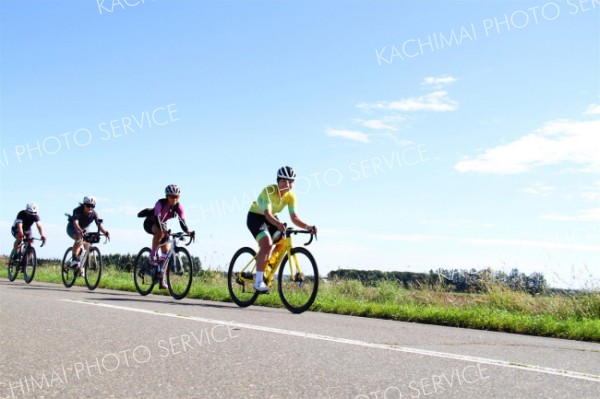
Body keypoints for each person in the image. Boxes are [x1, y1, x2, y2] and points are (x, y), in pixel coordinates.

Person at [247, 166, 317, 292]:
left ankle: (266, 268)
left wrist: (308, 227)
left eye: (291, 182)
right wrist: (278, 224)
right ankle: (258, 282)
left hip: (271, 217)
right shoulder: (269, 191)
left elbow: (294, 217)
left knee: (282, 240)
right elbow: (267, 214)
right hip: (256, 216)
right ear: (278, 181)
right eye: (284, 180)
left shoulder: (291, 196)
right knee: (267, 243)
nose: (287, 184)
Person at [143, 184, 195, 289]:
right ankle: (152, 256)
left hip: (163, 225)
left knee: (165, 254)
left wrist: (188, 231)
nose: (174, 199)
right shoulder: (160, 203)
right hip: (150, 222)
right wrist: (163, 230)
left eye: (177, 197)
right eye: (172, 197)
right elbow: (158, 219)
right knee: (160, 233)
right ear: (167, 196)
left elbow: (182, 222)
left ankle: (161, 278)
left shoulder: (179, 207)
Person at [67, 196, 110, 275]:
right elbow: (76, 223)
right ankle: (74, 260)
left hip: (84, 228)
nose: (90, 208)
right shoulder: (77, 210)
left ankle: (81, 267)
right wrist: (80, 230)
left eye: (92, 206)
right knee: (79, 239)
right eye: (88, 205)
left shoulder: (94, 214)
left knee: (87, 246)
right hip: (73, 227)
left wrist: (105, 232)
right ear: (84, 204)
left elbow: (99, 225)